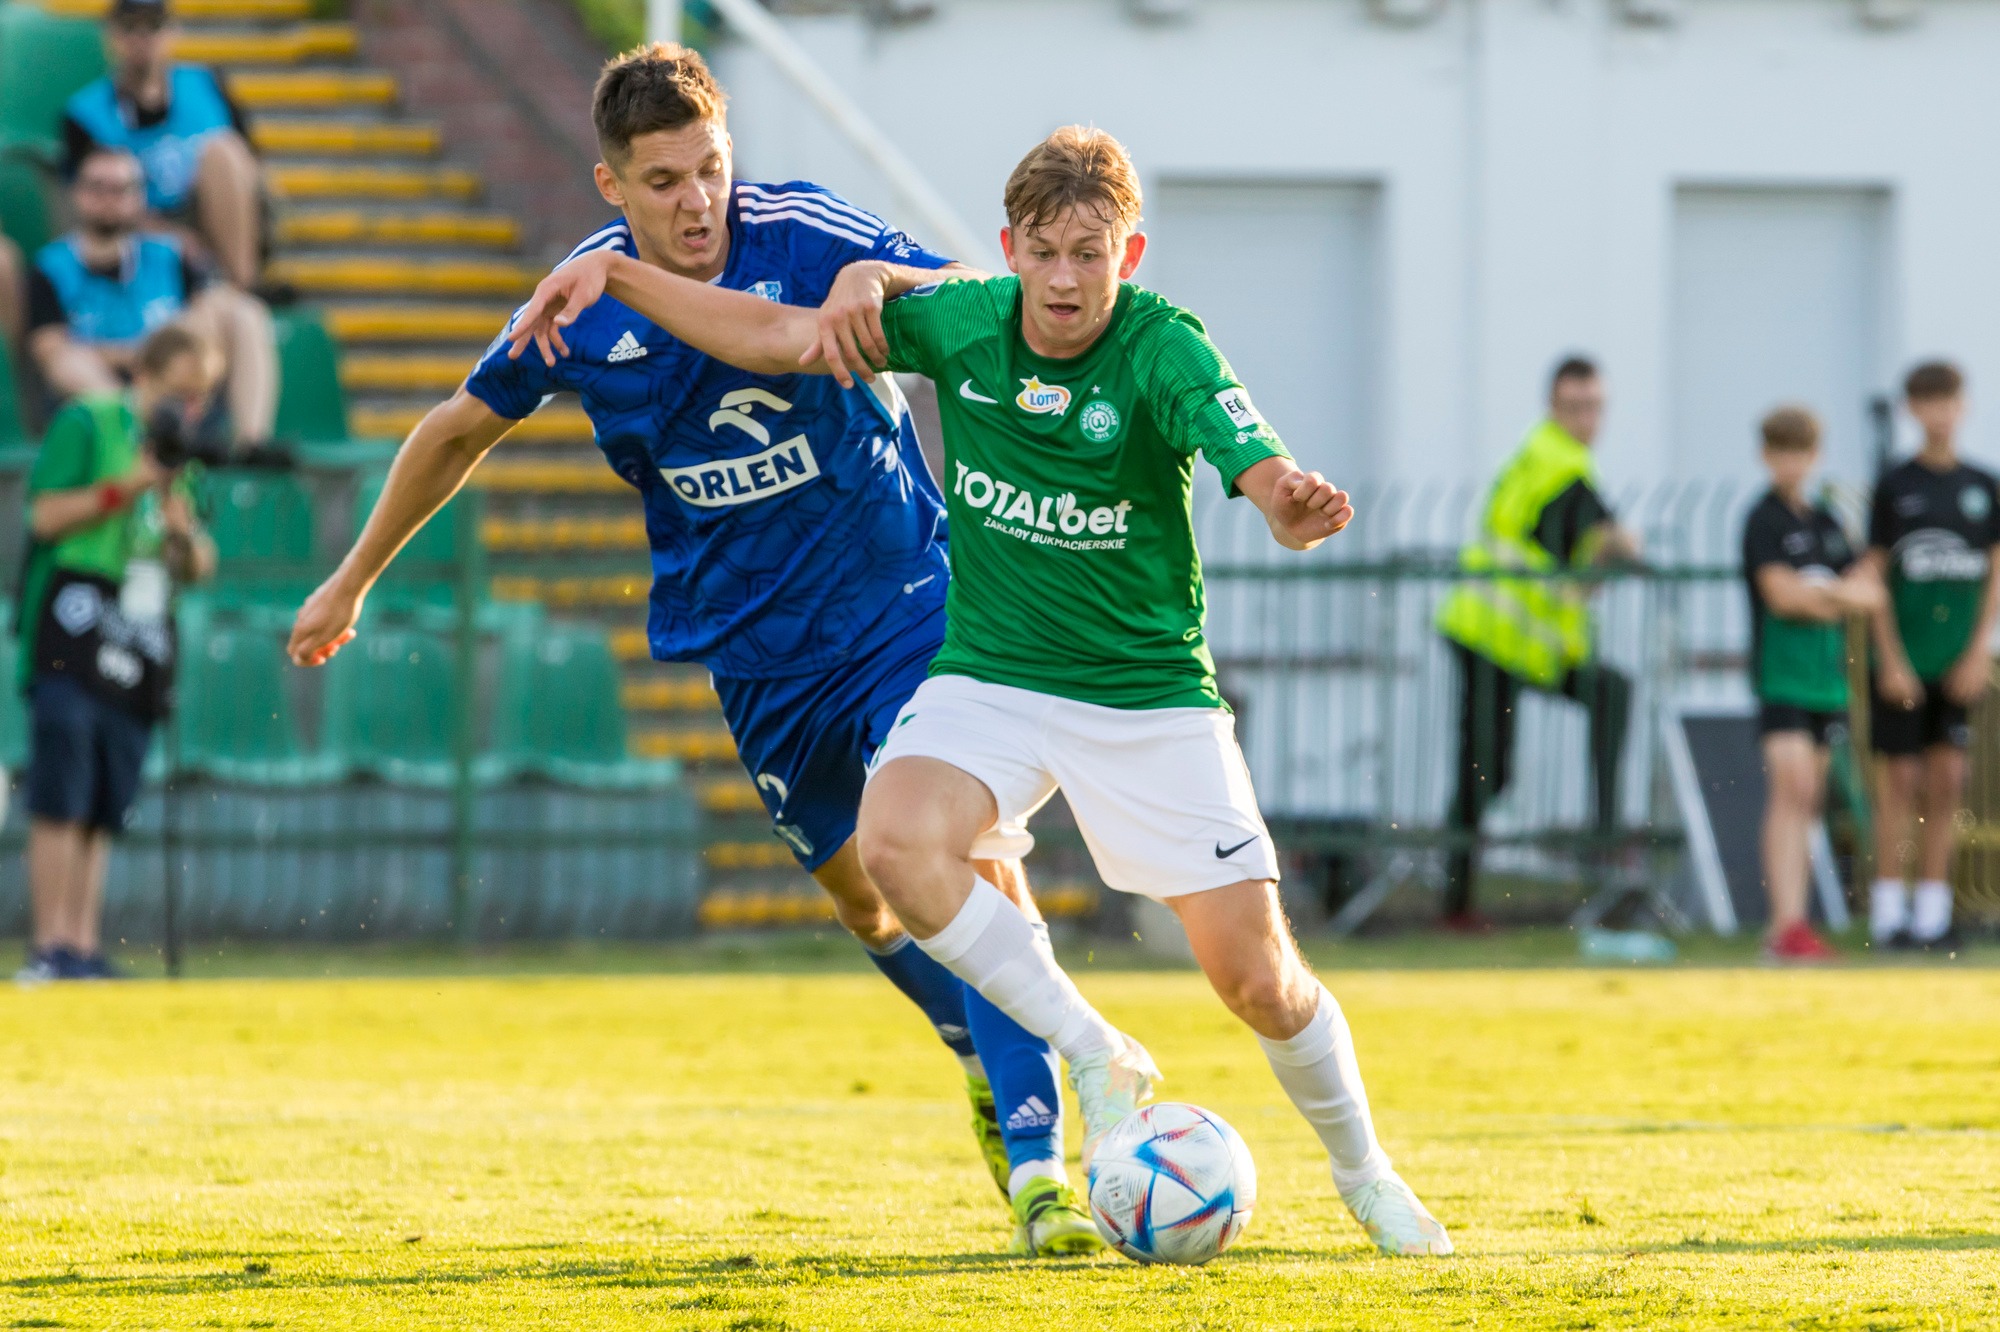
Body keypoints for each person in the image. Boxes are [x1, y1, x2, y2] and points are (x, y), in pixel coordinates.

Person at [505, 125, 1454, 1257]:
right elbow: (775, 337)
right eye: (1043, 254)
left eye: (1089, 256)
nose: (1064, 280)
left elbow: (1257, 464)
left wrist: (1289, 503)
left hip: (1144, 694)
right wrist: (618, 273)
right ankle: (1095, 1052)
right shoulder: (963, 322)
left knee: (1258, 981)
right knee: (896, 845)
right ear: (1008, 252)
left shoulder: (1164, 347)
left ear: (1128, 255)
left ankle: (1365, 1174)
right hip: (991, 674)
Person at [283, 45, 1091, 1256]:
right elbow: (455, 430)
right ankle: (973, 1041)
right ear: (612, 186)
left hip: (904, 612)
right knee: (864, 901)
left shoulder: (803, 230)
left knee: (960, 852)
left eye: (710, 169)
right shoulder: (580, 302)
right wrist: (351, 577)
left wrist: (881, 276)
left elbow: (976, 296)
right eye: (662, 181)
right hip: (757, 657)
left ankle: (1044, 1172)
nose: (697, 201)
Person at [15, 323, 217, 983]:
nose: (189, 408)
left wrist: (183, 535)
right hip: (73, 619)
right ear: (146, 375)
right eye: (180, 391)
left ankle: (82, 943)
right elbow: (44, 517)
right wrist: (128, 485)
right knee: (62, 786)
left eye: (201, 396)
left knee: (107, 793)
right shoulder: (90, 422)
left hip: (140, 631)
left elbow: (199, 565)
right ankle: (48, 945)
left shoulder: (181, 459)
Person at [1434, 357, 1643, 930]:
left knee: (1608, 693)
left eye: (1593, 407)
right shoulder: (1559, 463)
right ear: (1554, 408)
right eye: (1574, 407)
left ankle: (1602, 832)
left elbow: (1574, 557)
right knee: (1484, 771)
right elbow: (1605, 535)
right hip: (1491, 635)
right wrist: (1625, 545)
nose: (1585, 419)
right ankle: (1459, 903)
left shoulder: (1545, 455)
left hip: (1522, 644)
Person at [1862, 361, 1999, 953]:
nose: (1940, 414)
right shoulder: (1895, 485)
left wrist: (1978, 652)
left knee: (1948, 781)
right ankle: (1887, 911)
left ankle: (1932, 914)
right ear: (1912, 410)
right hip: (1906, 663)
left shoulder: (1982, 485)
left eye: (1949, 402)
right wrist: (1890, 659)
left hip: (1957, 661)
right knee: (1900, 781)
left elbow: (1993, 572)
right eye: (1928, 403)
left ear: (1963, 407)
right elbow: (1874, 576)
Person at [1741, 406, 1882, 962]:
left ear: (1815, 456)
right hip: (1782, 679)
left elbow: (1870, 593)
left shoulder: (1826, 521)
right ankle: (1783, 924)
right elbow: (1782, 597)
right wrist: (1835, 596)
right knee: (1791, 789)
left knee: (1811, 800)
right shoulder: (1763, 520)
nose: (1791, 463)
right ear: (1766, 455)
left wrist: (1823, 595)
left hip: (1827, 682)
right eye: (1781, 452)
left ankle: (1794, 924)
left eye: (1800, 452)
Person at [27, 146, 276, 448]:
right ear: (77, 193)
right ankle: (136, 430)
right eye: (97, 188)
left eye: (121, 189)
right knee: (67, 362)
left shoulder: (171, 254)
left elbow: (211, 310)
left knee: (245, 312)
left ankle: (252, 443)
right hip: (101, 396)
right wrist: (133, 354)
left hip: (172, 382)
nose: (108, 199)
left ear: (139, 197)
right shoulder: (51, 267)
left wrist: (172, 350)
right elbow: (48, 349)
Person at [62, 0, 265, 290]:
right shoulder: (87, 114)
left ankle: (244, 287)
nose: (142, 37)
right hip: (137, 229)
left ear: (173, 32)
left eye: (153, 26)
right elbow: (83, 199)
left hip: (218, 215)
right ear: (111, 36)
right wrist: (165, 232)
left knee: (224, 153)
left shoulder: (206, 84)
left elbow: (251, 161)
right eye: (130, 27)